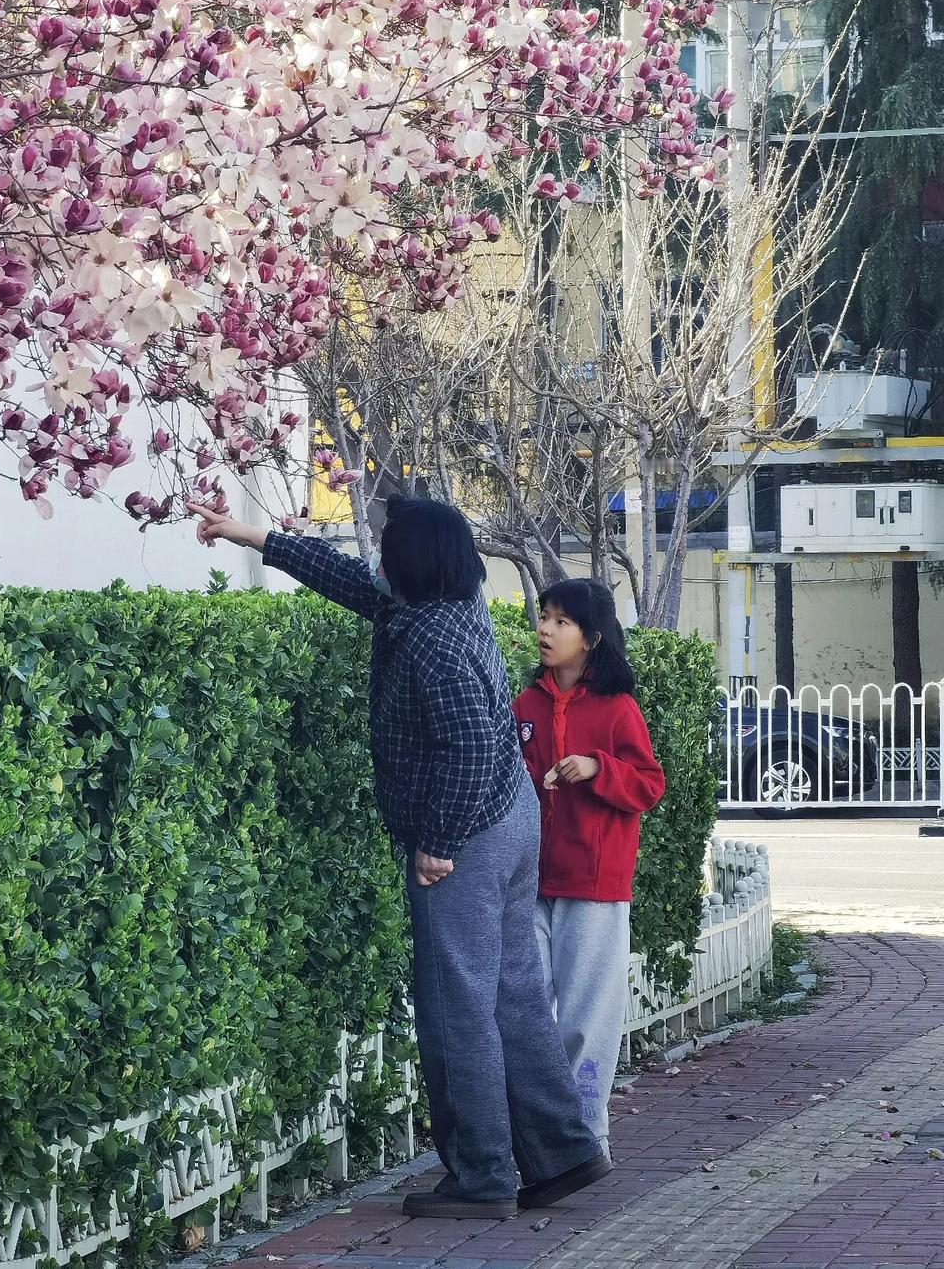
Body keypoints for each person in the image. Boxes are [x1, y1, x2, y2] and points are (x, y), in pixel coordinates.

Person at [188, 495, 609, 1220]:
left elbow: (471, 746)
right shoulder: (453, 600)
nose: (378, 557)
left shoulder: (429, 639)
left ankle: (481, 1178)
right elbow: (355, 583)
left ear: (412, 562)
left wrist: (440, 845)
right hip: (511, 819)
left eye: (387, 547)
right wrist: (252, 536)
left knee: (457, 1006)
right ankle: (563, 1154)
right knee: (512, 995)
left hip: (469, 831)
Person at [512, 579, 666, 1154]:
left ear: (592, 638)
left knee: (586, 1018)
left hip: (595, 887)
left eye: (561, 621)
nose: (546, 629)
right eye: (544, 617)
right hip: (528, 881)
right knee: (527, 1013)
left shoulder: (618, 708)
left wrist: (598, 768)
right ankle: (537, 1135)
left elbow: (649, 784)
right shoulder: (525, 704)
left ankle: (585, 1136)